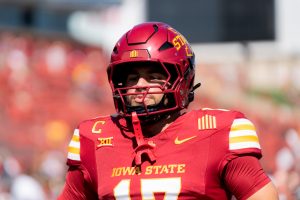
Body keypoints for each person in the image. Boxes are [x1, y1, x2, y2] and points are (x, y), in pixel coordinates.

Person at [58, 22, 278, 199]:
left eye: (154, 77)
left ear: (182, 80)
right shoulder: (94, 136)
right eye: (132, 77)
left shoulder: (219, 131)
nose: (140, 85)